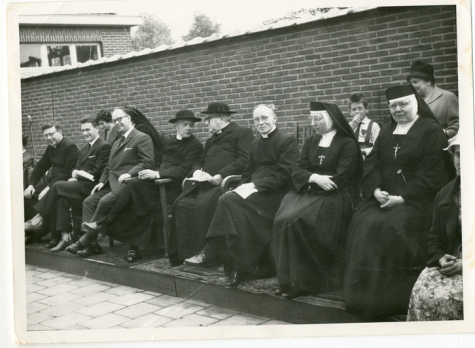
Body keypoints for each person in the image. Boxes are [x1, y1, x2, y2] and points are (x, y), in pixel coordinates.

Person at [344, 85, 450, 319]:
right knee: (362, 221)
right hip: (384, 196)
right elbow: (372, 163)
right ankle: (361, 297)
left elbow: (435, 172)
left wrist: (403, 196)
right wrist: (375, 189)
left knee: (389, 228)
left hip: (417, 200)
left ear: (415, 103)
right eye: (393, 105)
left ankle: (387, 300)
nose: (398, 109)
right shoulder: (387, 129)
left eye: (404, 104)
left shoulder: (431, 130)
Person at [186, 104, 299, 288]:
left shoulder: (287, 141)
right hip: (253, 192)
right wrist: (241, 187)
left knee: (228, 201)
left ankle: (215, 252)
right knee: (230, 199)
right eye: (256, 120)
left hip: (276, 194)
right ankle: (239, 266)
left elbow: (284, 174)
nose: (261, 123)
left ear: (274, 118)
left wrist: (254, 185)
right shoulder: (255, 143)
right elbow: (247, 172)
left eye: (264, 118)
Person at [272, 101, 363, 299]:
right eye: (311, 118)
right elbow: (297, 169)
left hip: (335, 196)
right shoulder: (311, 141)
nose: (313, 123)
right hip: (310, 190)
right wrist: (314, 178)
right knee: (282, 219)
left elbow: (344, 174)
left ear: (331, 119)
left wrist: (320, 181)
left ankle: (305, 283)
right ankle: (286, 280)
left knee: (298, 221)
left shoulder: (346, 143)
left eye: (318, 119)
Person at [105, 110, 203, 262]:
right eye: (185, 124)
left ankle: (109, 222)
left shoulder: (195, 145)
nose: (189, 128)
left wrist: (157, 175)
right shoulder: (169, 142)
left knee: (135, 191)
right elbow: (159, 162)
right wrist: (151, 172)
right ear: (176, 126)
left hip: (172, 187)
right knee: (134, 187)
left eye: (191, 125)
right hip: (157, 184)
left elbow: (183, 170)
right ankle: (133, 246)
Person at [168, 102, 254, 266]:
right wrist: (196, 172)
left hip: (226, 184)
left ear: (221, 119)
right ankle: (186, 252)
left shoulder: (242, 133)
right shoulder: (212, 139)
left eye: (208, 119)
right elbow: (200, 160)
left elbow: (245, 160)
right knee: (181, 204)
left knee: (203, 205)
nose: (205, 122)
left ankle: (210, 255)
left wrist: (222, 175)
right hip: (205, 183)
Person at [66, 107, 156, 257]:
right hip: (111, 184)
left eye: (120, 119)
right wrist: (102, 181)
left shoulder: (142, 137)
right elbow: (109, 165)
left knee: (104, 202)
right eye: (115, 120)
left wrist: (129, 173)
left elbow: (147, 162)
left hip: (130, 184)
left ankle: (84, 240)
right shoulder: (116, 142)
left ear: (129, 118)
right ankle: (92, 244)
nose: (117, 122)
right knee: (89, 201)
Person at [32, 117, 111, 251]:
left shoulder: (103, 146)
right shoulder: (85, 147)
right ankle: (66, 237)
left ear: (97, 129)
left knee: (57, 186)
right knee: (61, 197)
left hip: (93, 187)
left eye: (88, 130)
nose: (85, 133)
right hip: (81, 184)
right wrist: (75, 174)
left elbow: (98, 172)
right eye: (82, 130)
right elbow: (78, 166)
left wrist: (79, 175)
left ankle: (38, 218)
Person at [407, 135, 463, 321]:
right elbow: (434, 237)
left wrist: (468, 264)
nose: (461, 162)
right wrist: (440, 257)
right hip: (453, 261)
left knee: (448, 298)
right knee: (422, 290)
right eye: (457, 155)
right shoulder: (446, 194)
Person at [24, 123, 80, 242]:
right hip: (54, 183)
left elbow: (66, 173)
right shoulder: (51, 147)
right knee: (29, 195)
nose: (49, 138)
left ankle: (43, 226)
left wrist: (48, 188)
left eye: (51, 134)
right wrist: (31, 185)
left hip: (66, 184)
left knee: (51, 197)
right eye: (46, 135)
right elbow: (41, 166)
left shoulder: (70, 147)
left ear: (59, 132)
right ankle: (37, 232)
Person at [407, 60, 459, 138]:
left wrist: (444, 133)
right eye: (411, 83)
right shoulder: (412, 100)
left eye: (415, 82)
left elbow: (459, 126)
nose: (412, 85)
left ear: (428, 81)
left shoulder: (448, 98)